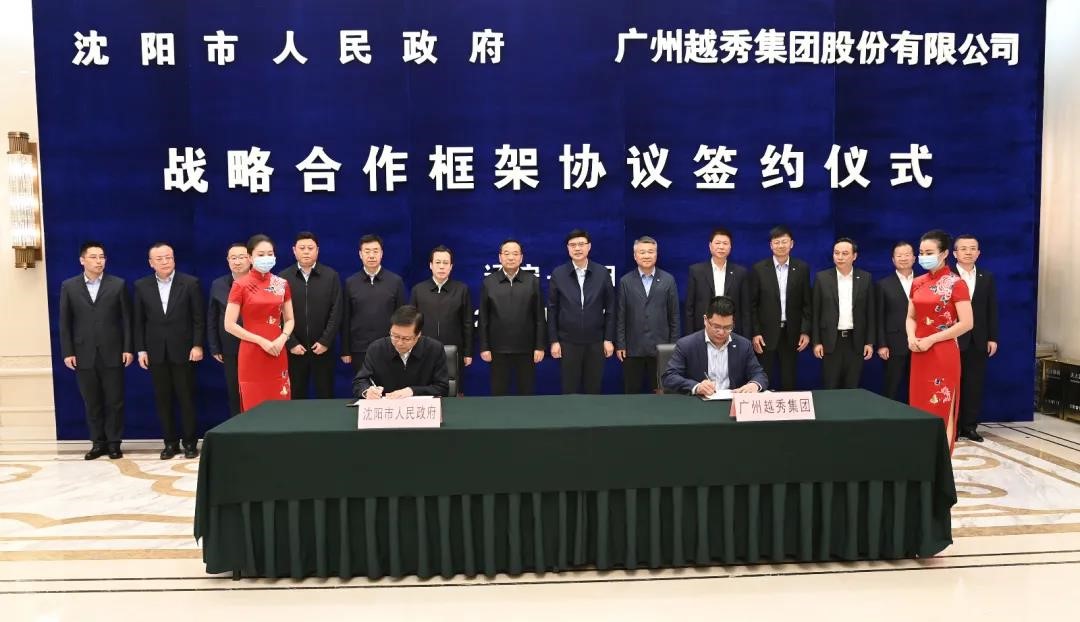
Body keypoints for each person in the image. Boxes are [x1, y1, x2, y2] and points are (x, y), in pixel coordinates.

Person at [59, 241, 133, 460]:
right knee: (92, 402)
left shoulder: (118, 284)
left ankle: (114, 443)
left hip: (113, 352)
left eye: (102, 257)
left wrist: (128, 348)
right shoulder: (69, 286)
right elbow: (65, 323)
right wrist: (68, 351)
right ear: (82, 260)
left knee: (115, 401)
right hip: (83, 353)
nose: (99, 261)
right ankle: (97, 443)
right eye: (93, 257)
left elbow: (127, 320)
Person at [134, 242, 205, 459]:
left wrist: (197, 344)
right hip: (156, 352)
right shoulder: (141, 286)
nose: (165, 262)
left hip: (184, 350)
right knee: (163, 400)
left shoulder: (190, 283)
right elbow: (139, 321)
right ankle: (170, 443)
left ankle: (190, 443)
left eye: (169, 257)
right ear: (151, 263)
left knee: (186, 398)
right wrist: (141, 350)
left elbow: (198, 318)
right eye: (160, 259)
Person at [907, 230, 973, 454]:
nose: (924, 256)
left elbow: (967, 323)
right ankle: (921, 456)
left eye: (929, 252)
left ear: (944, 253)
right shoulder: (917, 283)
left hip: (943, 352)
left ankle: (942, 460)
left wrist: (931, 339)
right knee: (919, 406)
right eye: (922, 252)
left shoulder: (956, 283)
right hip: (919, 351)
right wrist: (911, 337)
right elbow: (911, 317)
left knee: (942, 406)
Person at [224, 234, 296, 412]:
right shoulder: (240, 285)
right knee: (254, 406)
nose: (266, 258)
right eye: (261, 254)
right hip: (252, 352)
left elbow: (290, 319)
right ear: (250, 257)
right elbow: (229, 324)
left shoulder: (282, 284)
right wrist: (261, 341)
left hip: (277, 350)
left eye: (270, 254)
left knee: (280, 406)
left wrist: (282, 338)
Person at [548, 229, 615, 394]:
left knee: (594, 390)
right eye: (573, 245)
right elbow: (552, 310)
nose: (577, 248)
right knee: (569, 390)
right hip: (568, 342)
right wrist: (554, 341)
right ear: (567, 248)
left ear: (589, 246)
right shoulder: (559, 273)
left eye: (581, 244)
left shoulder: (602, 273)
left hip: (596, 342)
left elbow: (611, 308)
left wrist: (608, 339)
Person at [478, 239, 546, 395]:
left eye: (515, 254)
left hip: (526, 349)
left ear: (521, 258)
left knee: (526, 393)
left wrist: (539, 346)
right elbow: (483, 318)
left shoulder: (532, 281)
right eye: (507, 253)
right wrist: (484, 347)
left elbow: (539, 317)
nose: (511, 257)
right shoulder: (489, 282)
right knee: (499, 393)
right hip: (497, 349)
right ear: (500, 257)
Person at [661, 296, 768, 395]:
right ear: (705, 320)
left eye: (727, 327)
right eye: (716, 326)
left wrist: (754, 385)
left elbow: (759, 374)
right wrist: (697, 387)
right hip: (699, 402)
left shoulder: (743, 345)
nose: (721, 332)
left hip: (732, 402)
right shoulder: (687, 345)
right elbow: (669, 377)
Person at [749, 225, 812, 391]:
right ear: (771, 245)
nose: (781, 245)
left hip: (792, 333)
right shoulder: (759, 269)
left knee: (789, 379)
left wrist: (805, 331)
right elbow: (752, 305)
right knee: (764, 378)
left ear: (792, 244)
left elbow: (807, 303)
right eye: (776, 242)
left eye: (784, 241)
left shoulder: (802, 268)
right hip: (765, 334)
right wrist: (756, 332)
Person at [615, 236, 679, 393]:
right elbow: (621, 315)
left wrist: (673, 345)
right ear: (635, 256)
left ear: (656, 254)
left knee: (661, 393)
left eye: (650, 252)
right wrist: (621, 344)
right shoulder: (625, 281)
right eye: (642, 252)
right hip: (633, 347)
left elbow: (674, 316)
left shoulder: (668, 280)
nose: (646, 255)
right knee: (631, 393)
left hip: (661, 347)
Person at [283, 231, 342, 399]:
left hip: (323, 349)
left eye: (310, 248)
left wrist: (325, 341)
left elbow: (336, 311)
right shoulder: (283, 278)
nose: (306, 252)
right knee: (296, 395)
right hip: (295, 350)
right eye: (302, 248)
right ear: (294, 251)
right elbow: (279, 313)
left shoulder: (331, 276)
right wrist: (291, 342)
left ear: (317, 250)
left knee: (325, 394)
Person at [812, 237, 875, 389]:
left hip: (856, 340)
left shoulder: (865, 278)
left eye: (845, 253)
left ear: (854, 256)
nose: (840, 257)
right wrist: (816, 342)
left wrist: (869, 342)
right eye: (836, 253)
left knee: (852, 386)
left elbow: (870, 312)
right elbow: (816, 312)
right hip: (830, 341)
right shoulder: (822, 278)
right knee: (830, 385)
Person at [409, 245, 473, 391]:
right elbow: (411, 323)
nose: (441, 267)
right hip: (424, 350)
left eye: (445, 263)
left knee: (454, 390)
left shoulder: (461, 289)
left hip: (453, 350)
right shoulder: (418, 290)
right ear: (431, 265)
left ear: (451, 266)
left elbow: (467, 323)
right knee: (425, 389)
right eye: (438, 262)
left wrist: (468, 352)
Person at [953, 234, 997, 442]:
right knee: (953, 385)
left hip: (978, 339)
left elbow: (991, 309)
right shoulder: (947, 276)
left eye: (972, 248)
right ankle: (952, 427)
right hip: (952, 339)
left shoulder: (986, 277)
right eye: (963, 248)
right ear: (955, 253)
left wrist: (992, 337)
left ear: (978, 253)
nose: (968, 252)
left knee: (974, 384)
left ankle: (969, 427)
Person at [353, 306, 449, 399]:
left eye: (406, 338)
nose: (399, 343)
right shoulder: (377, 349)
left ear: (418, 335)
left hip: (420, 407)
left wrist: (412, 391)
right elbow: (360, 381)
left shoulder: (434, 349)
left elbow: (442, 388)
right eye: (395, 336)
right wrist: (367, 391)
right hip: (386, 406)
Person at [342, 234, 406, 373]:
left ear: (381, 253)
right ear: (360, 254)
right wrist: (345, 350)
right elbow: (345, 318)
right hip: (359, 349)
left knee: (389, 385)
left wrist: (402, 346)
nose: (371, 256)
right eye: (367, 251)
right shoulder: (350, 283)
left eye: (375, 251)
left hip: (390, 347)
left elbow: (402, 318)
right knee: (363, 385)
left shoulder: (395, 282)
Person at [207, 242, 249, 416]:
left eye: (241, 257)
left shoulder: (263, 282)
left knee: (255, 389)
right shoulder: (218, 284)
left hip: (258, 346)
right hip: (230, 347)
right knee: (234, 390)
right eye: (233, 258)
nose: (237, 262)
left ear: (250, 259)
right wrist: (215, 347)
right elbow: (212, 317)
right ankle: (238, 427)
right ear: (228, 260)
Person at [685, 228, 751, 337]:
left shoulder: (740, 273)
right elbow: (689, 308)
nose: (721, 247)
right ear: (710, 246)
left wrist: (746, 338)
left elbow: (745, 310)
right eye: (717, 243)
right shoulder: (696, 271)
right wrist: (690, 336)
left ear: (730, 247)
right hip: (703, 330)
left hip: (731, 331)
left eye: (725, 243)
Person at [876, 241, 916, 402]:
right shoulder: (883, 284)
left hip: (921, 343)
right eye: (899, 255)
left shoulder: (925, 282)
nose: (903, 258)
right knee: (891, 387)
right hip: (894, 344)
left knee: (917, 387)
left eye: (907, 255)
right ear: (893, 260)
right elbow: (879, 316)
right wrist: (882, 344)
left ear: (914, 258)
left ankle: (917, 416)